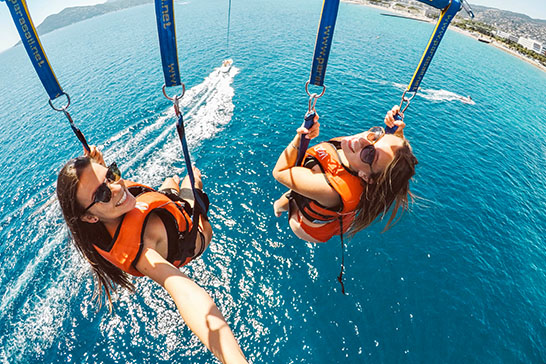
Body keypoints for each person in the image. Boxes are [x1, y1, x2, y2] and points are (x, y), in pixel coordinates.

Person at [56, 147, 247, 364]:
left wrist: (98, 166)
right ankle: (188, 184)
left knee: (169, 181)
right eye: (103, 194)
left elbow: (107, 188)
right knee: (192, 178)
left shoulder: (107, 205)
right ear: (90, 218)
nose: (117, 187)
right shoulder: (143, 251)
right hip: (195, 227)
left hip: (165, 203)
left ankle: (161, 182)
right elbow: (185, 293)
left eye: (111, 174)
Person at [272, 105, 418, 243]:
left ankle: (278, 208)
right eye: (376, 136)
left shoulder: (332, 191)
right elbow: (387, 149)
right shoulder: (366, 150)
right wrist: (395, 129)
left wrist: (300, 138)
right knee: (299, 190)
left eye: (369, 154)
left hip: (308, 229)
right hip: (339, 216)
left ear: (366, 176)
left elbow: (280, 172)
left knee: (291, 197)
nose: (361, 140)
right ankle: (281, 206)